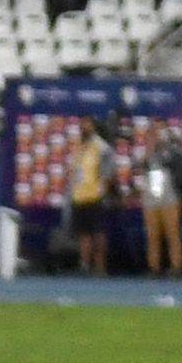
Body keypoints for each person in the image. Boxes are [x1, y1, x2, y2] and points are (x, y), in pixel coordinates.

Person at [140, 125, 182, 277]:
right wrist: (150, 148)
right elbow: (144, 166)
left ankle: (176, 266)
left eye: (159, 135)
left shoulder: (173, 152)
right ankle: (154, 266)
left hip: (170, 197)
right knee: (152, 235)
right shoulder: (148, 154)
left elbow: (181, 170)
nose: (156, 139)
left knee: (172, 234)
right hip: (151, 197)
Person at [68, 118, 113, 277]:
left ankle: (100, 267)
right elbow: (75, 170)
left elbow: (107, 172)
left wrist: (102, 191)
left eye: (86, 124)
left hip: (95, 196)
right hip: (80, 196)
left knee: (98, 233)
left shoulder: (101, 147)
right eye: (82, 124)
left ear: (93, 126)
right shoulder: (80, 147)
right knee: (84, 234)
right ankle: (85, 265)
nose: (83, 127)